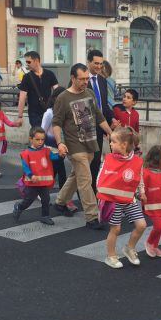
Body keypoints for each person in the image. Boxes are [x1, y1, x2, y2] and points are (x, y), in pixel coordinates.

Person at [52, 63, 114, 229]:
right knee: (86, 180)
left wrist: (110, 133)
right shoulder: (62, 98)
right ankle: (92, 217)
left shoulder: (90, 93)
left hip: (90, 143)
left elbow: (99, 116)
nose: (85, 82)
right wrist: (60, 143)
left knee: (76, 176)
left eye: (87, 79)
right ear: (73, 78)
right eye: (81, 79)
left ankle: (60, 202)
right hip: (74, 145)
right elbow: (56, 123)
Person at [97, 127, 146, 269]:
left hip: (130, 199)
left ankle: (129, 248)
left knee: (141, 225)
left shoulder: (137, 161)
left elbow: (139, 178)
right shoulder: (108, 158)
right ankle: (111, 256)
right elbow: (101, 176)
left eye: (113, 142)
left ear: (124, 145)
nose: (110, 144)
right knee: (115, 229)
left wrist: (141, 191)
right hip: (112, 200)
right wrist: (100, 193)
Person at [13, 127, 59, 226]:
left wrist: (61, 155)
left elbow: (54, 157)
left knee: (46, 199)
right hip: (32, 183)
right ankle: (19, 207)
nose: (40, 142)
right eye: (37, 139)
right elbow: (25, 167)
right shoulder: (26, 153)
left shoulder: (46, 151)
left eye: (42, 139)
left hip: (43, 183)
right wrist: (31, 175)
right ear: (31, 139)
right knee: (28, 201)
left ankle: (45, 216)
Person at [85, 49, 115, 191]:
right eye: (96, 63)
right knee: (86, 163)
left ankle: (92, 191)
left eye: (101, 64)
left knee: (96, 161)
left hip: (100, 127)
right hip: (85, 129)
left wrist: (112, 120)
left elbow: (103, 106)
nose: (98, 67)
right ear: (89, 62)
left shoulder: (102, 81)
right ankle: (86, 193)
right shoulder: (82, 80)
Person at [17, 51, 59, 127]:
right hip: (34, 114)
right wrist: (20, 116)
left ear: (36, 61)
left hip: (48, 112)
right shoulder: (26, 77)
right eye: (26, 62)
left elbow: (57, 92)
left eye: (28, 62)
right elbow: (22, 98)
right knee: (37, 136)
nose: (27, 64)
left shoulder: (50, 74)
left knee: (48, 137)